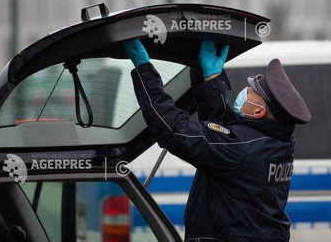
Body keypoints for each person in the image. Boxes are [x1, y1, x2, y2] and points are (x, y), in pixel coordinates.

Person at [123, 39, 311, 242]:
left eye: (252, 91)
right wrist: (212, 77)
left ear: (258, 112)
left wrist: (144, 69)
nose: (245, 90)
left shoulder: (242, 148)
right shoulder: (278, 142)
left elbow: (175, 130)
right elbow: (225, 130)